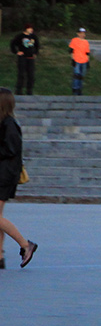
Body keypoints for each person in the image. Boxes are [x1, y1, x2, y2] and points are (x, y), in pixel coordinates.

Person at [0, 88, 38, 270]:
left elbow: (11, 149)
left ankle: (25, 244)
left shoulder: (9, 124)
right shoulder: (4, 123)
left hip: (5, 176)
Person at [9, 25, 38, 96]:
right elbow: (12, 44)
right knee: (21, 74)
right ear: (26, 29)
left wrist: (35, 53)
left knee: (31, 75)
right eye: (29, 28)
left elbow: (37, 45)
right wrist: (16, 52)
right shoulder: (20, 36)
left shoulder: (33, 37)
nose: (31, 30)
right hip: (23, 58)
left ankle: (29, 90)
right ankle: (19, 90)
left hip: (31, 58)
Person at [68, 27, 90, 95]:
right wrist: (73, 59)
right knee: (76, 75)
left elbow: (87, 53)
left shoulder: (86, 42)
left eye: (83, 33)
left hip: (84, 61)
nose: (82, 35)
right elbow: (71, 51)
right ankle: (75, 89)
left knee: (82, 75)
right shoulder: (74, 40)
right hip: (77, 60)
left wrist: (88, 62)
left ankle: (80, 89)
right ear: (78, 34)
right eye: (81, 33)